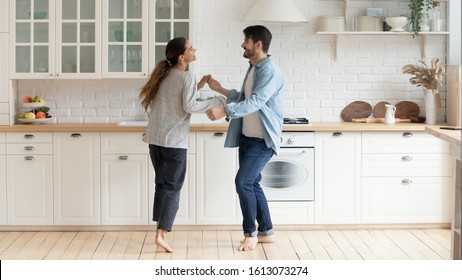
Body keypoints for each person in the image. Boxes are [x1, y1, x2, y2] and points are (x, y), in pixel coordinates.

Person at [139, 37, 225, 253]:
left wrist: (199, 86)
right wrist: (217, 101)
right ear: (181, 56)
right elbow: (188, 105)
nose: (194, 50)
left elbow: (177, 96)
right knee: (172, 187)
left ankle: (158, 229)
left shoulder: (165, 74)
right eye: (190, 48)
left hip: (155, 140)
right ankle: (162, 234)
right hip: (174, 142)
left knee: (161, 184)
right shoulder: (186, 76)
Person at [205, 25, 284, 251]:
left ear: (258, 44)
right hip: (248, 138)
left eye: (246, 41)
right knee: (253, 183)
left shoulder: (269, 71)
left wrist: (225, 111)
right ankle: (266, 231)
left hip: (262, 140)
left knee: (243, 182)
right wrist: (219, 88)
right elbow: (244, 97)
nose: (243, 44)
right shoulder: (254, 67)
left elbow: (257, 101)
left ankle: (250, 233)